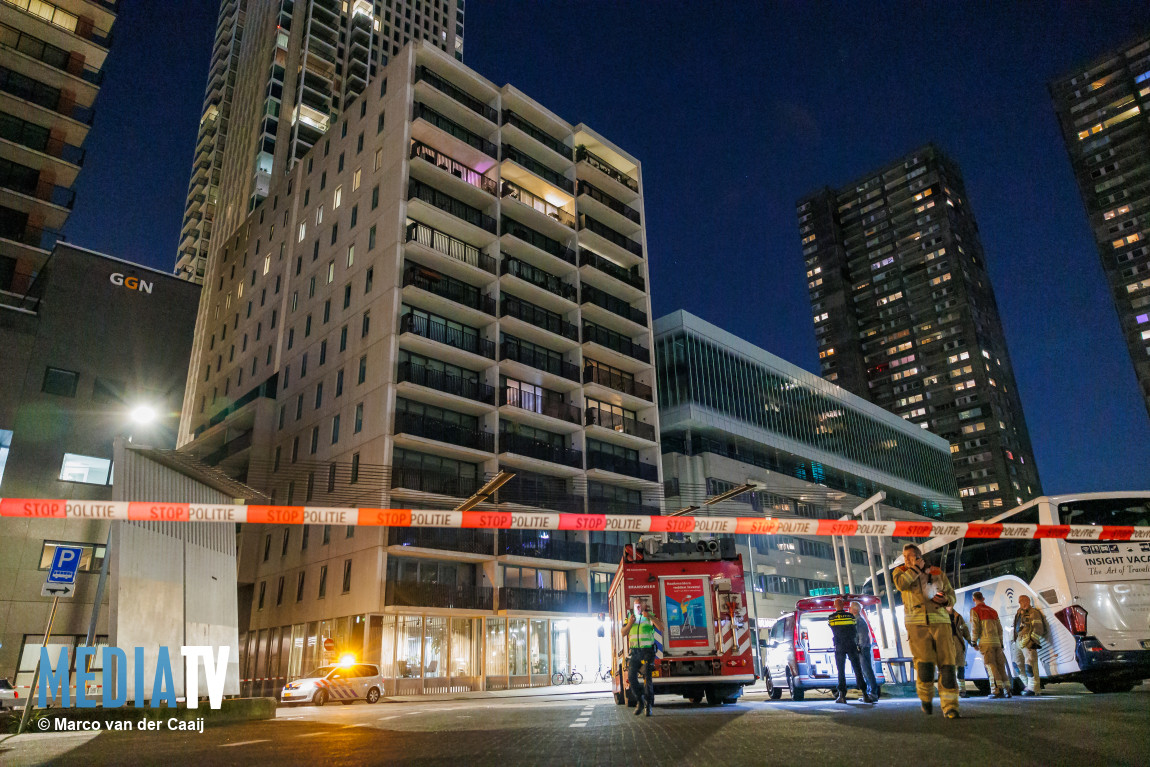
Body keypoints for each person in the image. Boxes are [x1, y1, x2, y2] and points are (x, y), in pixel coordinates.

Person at [893, 543, 960, 718]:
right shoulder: (900, 572)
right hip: (917, 626)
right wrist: (916, 568)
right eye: (905, 556)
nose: (906, 559)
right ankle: (926, 699)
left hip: (941, 623)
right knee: (925, 666)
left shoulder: (937, 572)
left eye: (910, 556)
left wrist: (946, 600)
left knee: (947, 667)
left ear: (919, 555)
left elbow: (952, 594)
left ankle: (951, 707)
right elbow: (902, 584)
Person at [619, 598, 662, 716]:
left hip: (647, 652)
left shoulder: (650, 616)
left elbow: (661, 627)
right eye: (636, 605)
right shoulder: (630, 617)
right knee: (631, 677)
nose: (637, 607)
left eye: (639, 605)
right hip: (635, 653)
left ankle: (648, 706)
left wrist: (651, 617)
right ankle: (640, 700)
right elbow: (623, 632)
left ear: (644, 605)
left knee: (647, 679)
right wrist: (630, 623)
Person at [969, 591, 1011, 698]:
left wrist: (973, 642)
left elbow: (975, 627)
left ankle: (996, 690)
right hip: (997, 642)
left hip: (985, 642)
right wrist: (1001, 643)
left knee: (990, 665)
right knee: (1001, 666)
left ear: (974, 599)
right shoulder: (993, 611)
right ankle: (1007, 690)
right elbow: (1000, 629)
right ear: (983, 598)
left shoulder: (975, 611)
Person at [1011, 594, 1047, 696]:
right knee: (1016, 664)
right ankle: (1027, 686)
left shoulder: (1033, 613)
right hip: (1019, 641)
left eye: (1021, 601)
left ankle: (1034, 689)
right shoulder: (1019, 612)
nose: (1019, 603)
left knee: (1030, 665)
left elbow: (1038, 629)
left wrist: (1032, 641)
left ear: (1027, 601)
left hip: (1028, 643)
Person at [849, 601, 880, 703]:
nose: (848, 609)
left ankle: (873, 694)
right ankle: (869, 693)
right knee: (866, 671)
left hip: (863, 649)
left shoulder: (859, 621)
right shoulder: (858, 620)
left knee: (867, 671)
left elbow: (862, 636)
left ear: (854, 610)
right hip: (863, 648)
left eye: (850, 607)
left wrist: (858, 647)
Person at [946, 605, 973, 697]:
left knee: (960, 667)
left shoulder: (958, 616)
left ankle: (961, 691)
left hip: (957, 643)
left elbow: (965, 630)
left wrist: (970, 641)